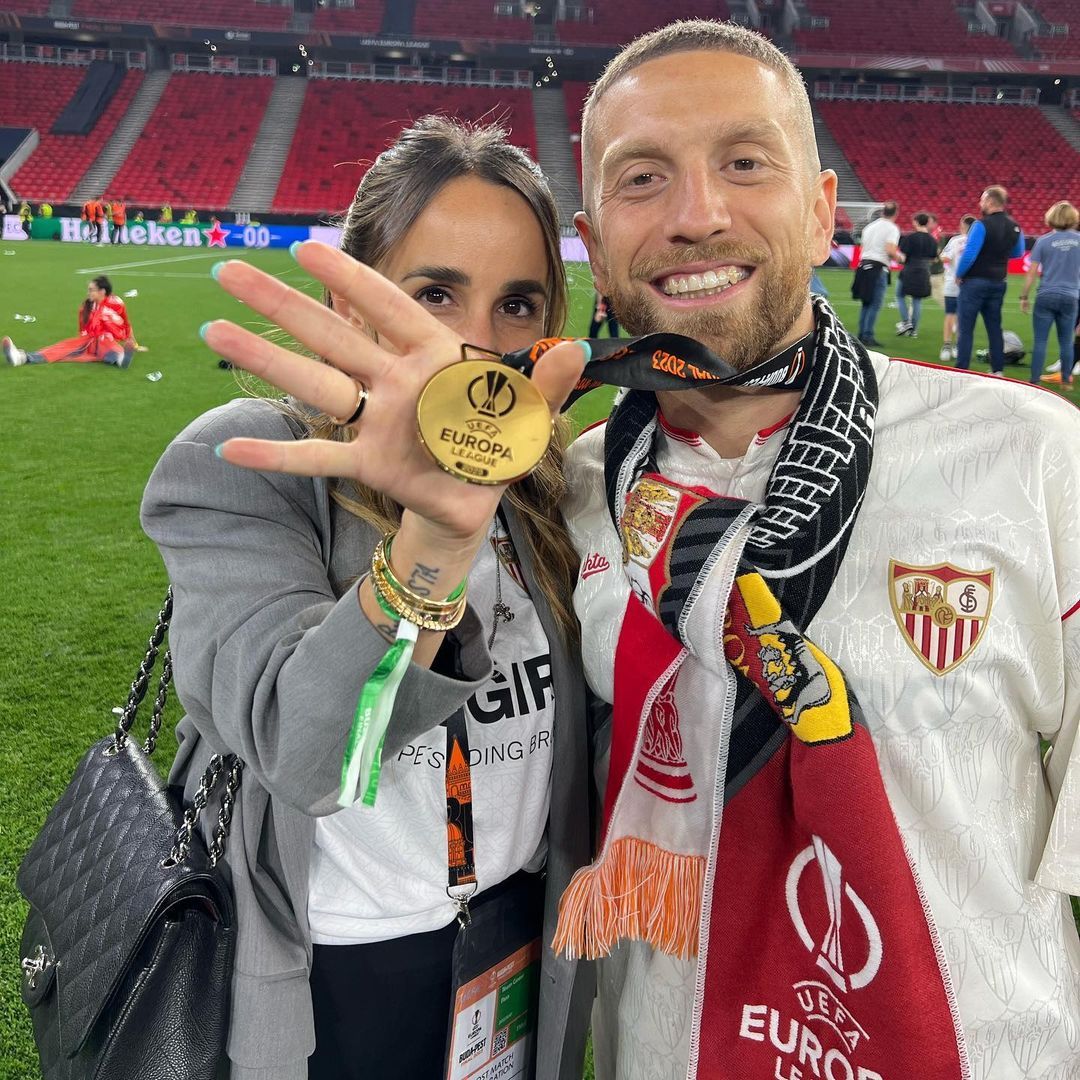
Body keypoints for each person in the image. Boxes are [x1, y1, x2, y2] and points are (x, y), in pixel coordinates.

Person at [558, 19, 1080, 1080]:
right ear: (594, 234)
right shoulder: (567, 489)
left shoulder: (1034, 459)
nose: (697, 215)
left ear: (820, 207)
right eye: (642, 178)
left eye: (744, 163)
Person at [139, 118, 594, 1080]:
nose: (472, 342)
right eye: (431, 293)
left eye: (518, 304)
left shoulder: (552, 481)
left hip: (509, 939)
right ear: (351, 300)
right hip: (333, 964)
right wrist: (433, 541)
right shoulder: (249, 463)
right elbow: (306, 758)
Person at [954, 185, 1024, 374]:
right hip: (999, 282)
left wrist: (959, 274)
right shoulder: (1015, 226)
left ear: (991, 201)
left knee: (966, 328)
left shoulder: (981, 225)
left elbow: (969, 254)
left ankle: (962, 370)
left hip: (975, 282)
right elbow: (1018, 253)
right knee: (994, 327)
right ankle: (997, 370)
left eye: (983, 199)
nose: (980, 203)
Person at [3, 275, 135, 367]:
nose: (88, 293)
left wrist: (133, 342)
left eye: (91, 290)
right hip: (89, 341)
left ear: (102, 291)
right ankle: (21, 357)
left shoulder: (116, 303)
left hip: (108, 341)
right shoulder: (86, 306)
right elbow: (83, 331)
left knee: (110, 348)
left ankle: (121, 359)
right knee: (58, 349)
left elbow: (126, 323)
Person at [1020, 200, 1080, 387]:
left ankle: (1035, 380)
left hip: (1046, 294)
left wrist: (1024, 296)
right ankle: (1065, 381)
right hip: (1071, 296)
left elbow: (1032, 271)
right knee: (1066, 342)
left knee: (1040, 341)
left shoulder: (1043, 241)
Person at [853, 200, 899, 346]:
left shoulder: (869, 227)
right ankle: (868, 335)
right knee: (875, 303)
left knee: (866, 302)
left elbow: (862, 247)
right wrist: (902, 258)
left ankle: (862, 333)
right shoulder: (892, 228)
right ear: (896, 213)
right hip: (878, 267)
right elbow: (890, 250)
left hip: (863, 265)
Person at [894, 211, 937, 338]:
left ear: (916, 221)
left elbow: (903, 256)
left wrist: (898, 259)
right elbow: (934, 258)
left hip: (910, 269)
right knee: (917, 300)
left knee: (900, 295)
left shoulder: (911, 238)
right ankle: (914, 331)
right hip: (924, 271)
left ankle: (906, 321)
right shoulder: (932, 240)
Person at [938, 214, 975, 361]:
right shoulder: (977, 242)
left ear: (964, 226)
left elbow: (945, 258)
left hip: (952, 283)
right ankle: (958, 346)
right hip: (970, 285)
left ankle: (947, 345)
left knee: (950, 314)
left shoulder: (956, 240)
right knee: (963, 317)